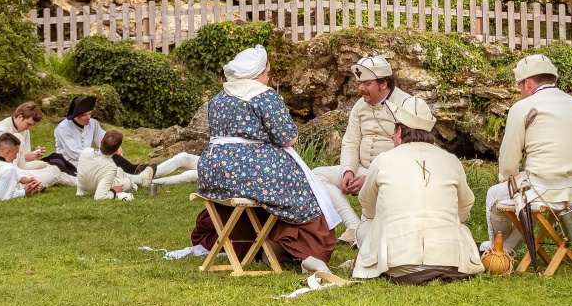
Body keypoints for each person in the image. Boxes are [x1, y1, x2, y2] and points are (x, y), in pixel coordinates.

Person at [192, 45, 341, 273]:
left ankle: (258, 243)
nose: (268, 78)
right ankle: (293, 246)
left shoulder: (219, 98)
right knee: (304, 192)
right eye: (267, 72)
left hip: (214, 172)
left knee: (270, 189)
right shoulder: (264, 96)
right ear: (258, 73)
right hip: (249, 170)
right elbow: (288, 138)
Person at [351, 97, 484, 284]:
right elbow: (464, 209)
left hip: (399, 266)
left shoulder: (382, 160)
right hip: (450, 262)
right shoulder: (451, 160)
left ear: (399, 131)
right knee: (460, 228)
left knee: (365, 227)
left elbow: (367, 206)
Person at [481, 54, 572, 254]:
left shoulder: (523, 107)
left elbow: (508, 162)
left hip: (545, 191)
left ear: (527, 83)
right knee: (528, 195)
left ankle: (496, 250)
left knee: (497, 195)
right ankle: (506, 248)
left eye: (519, 87)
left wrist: (507, 181)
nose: (521, 93)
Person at [313, 56, 413, 246]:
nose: (361, 88)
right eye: (360, 83)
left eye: (367, 84)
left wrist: (370, 179)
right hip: (362, 168)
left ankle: (365, 229)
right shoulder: (360, 106)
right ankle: (353, 227)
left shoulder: (407, 105)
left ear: (383, 84)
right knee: (317, 176)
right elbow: (351, 142)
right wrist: (348, 172)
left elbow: (409, 152)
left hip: (391, 174)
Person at [52, 96, 155, 174]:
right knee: (106, 164)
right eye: (84, 115)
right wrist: (99, 154)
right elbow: (74, 153)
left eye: (90, 114)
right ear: (76, 116)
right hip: (70, 162)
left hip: (89, 158)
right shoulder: (63, 128)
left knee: (111, 158)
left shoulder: (93, 123)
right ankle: (135, 172)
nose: (88, 117)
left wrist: (115, 146)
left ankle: (136, 170)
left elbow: (103, 139)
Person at [0, 101, 74, 188]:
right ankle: (49, 180)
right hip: (4, 171)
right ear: (20, 117)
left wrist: (34, 154)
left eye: (31, 125)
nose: (29, 128)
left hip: (20, 167)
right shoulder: (1, 130)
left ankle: (65, 179)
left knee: (48, 165)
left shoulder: (24, 130)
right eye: (28, 124)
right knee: (54, 171)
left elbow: (24, 159)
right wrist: (24, 156)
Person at [76, 130, 153, 200]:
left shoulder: (85, 151)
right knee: (127, 181)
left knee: (119, 170)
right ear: (117, 149)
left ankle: (141, 179)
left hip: (82, 190)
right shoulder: (110, 167)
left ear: (101, 141)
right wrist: (114, 191)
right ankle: (141, 180)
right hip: (94, 189)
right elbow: (99, 197)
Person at [0, 133, 43, 201]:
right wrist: (24, 191)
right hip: (14, 185)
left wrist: (24, 179)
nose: (15, 157)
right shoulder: (7, 169)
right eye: (15, 153)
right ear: (7, 152)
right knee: (48, 175)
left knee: (42, 166)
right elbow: (1, 197)